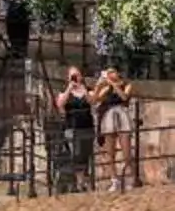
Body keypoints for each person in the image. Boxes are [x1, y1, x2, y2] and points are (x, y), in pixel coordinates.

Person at [91, 67, 134, 196]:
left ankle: (130, 177)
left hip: (121, 114)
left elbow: (124, 97)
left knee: (126, 151)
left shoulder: (126, 84)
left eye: (112, 72)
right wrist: (99, 86)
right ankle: (114, 179)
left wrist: (113, 84)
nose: (110, 74)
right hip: (108, 116)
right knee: (110, 152)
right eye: (108, 73)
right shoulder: (105, 87)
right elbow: (95, 100)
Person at [55, 68, 96, 191]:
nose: (75, 78)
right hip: (72, 126)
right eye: (73, 76)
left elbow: (92, 101)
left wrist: (83, 90)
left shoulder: (86, 89)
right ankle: (79, 182)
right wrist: (69, 88)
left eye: (77, 75)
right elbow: (60, 104)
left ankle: (83, 180)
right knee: (76, 153)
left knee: (86, 152)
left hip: (87, 125)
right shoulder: (64, 91)